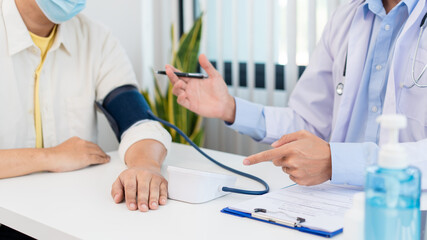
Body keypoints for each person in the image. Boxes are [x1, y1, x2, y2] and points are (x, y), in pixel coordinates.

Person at [166, 0, 427, 188]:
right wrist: (231, 108)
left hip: (409, 207)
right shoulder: (346, 17)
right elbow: (310, 122)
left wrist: (338, 162)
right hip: (334, 203)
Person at [0, 0, 172, 215]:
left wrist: (145, 166)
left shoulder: (96, 39)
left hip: (70, 214)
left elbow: (137, 120)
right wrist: (50, 157)